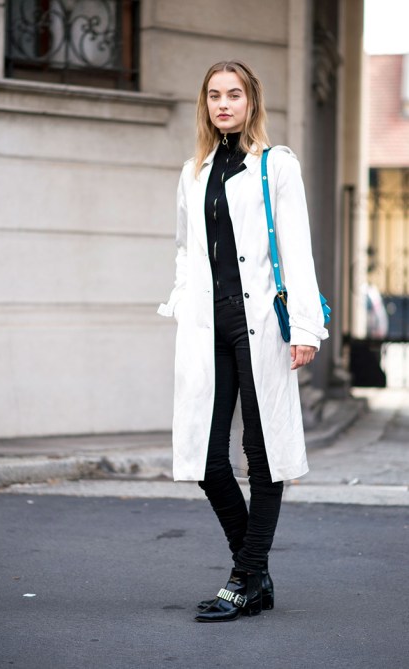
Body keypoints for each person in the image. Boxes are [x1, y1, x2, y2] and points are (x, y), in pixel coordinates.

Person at [158, 60, 329, 623]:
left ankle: (242, 578)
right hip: (209, 325)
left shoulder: (276, 166)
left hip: (261, 325)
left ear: (252, 101)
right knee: (207, 460)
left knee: (263, 454)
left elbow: (297, 248)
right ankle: (254, 574)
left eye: (234, 94)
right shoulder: (194, 172)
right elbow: (186, 249)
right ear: (205, 104)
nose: (223, 104)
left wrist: (305, 326)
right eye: (214, 95)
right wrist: (183, 300)